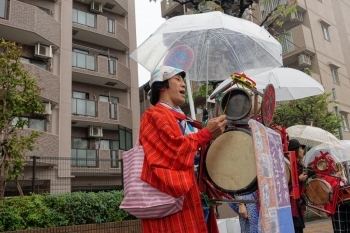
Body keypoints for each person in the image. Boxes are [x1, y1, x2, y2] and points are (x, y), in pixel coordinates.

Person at [139, 66, 227, 233]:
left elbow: (193, 152)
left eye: (183, 80)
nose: (184, 85)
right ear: (162, 85)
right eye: (177, 79)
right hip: (171, 198)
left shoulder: (183, 118)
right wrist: (205, 134)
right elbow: (173, 151)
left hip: (194, 194)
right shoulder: (152, 116)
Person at [288, 139, 308, 233]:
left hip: (298, 203)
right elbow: (285, 184)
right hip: (292, 204)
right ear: (296, 150)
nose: (303, 150)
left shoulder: (300, 165)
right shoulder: (288, 165)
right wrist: (298, 179)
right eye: (301, 148)